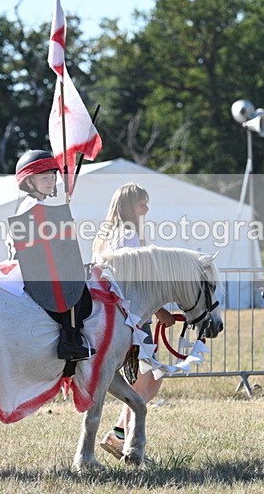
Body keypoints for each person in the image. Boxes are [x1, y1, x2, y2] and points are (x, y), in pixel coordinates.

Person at [93, 183, 177, 460]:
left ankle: (119, 435)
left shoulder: (106, 234)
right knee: (148, 380)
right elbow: (135, 282)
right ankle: (124, 440)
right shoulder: (129, 236)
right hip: (133, 318)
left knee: (147, 380)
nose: (146, 209)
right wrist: (159, 310)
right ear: (130, 206)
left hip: (116, 316)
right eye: (142, 203)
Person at [11, 150, 93, 362]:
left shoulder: (36, 205)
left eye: (53, 177)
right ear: (29, 182)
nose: (51, 181)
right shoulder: (33, 206)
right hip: (30, 268)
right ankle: (69, 340)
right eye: (44, 178)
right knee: (74, 286)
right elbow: (42, 245)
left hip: (33, 264)